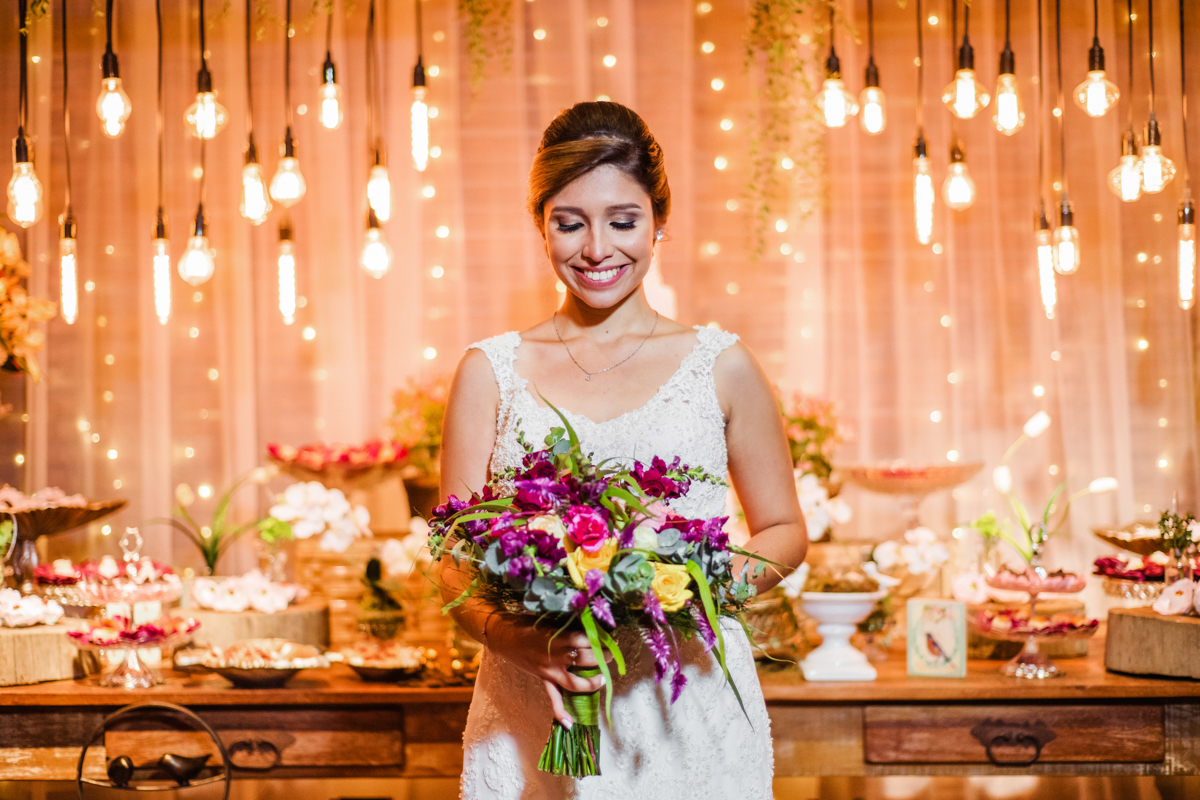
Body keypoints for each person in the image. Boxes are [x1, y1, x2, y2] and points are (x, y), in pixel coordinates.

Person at [439, 100, 807, 800]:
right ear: (540, 224)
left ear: (659, 222)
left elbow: (785, 532)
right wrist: (522, 641)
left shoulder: (722, 365)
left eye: (623, 221)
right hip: (531, 714)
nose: (597, 249)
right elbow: (452, 552)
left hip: (685, 712)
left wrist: (684, 588)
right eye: (569, 223)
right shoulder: (488, 370)